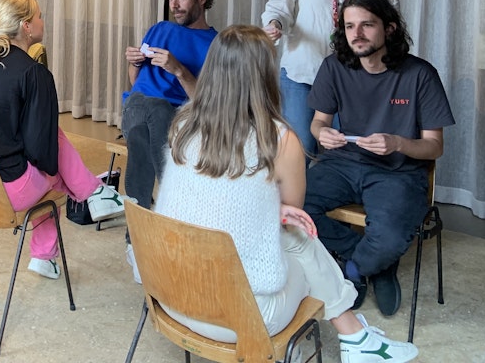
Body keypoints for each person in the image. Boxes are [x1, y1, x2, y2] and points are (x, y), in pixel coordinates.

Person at [154, 25, 419, 363]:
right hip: (240, 320)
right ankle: (354, 337)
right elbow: (295, 215)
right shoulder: (278, 139)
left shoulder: (184, 123)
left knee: (287, 229)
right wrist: (275, 212)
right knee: (298, 236)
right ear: (265, 75)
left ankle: (355, 336)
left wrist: (267, 209)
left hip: (170, 295)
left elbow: (205, 196)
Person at [0, 0, 125, 279]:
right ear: (27, 26)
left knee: (46, 149)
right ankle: (93, 194)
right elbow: (42, 153)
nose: (43, 21)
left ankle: (89, 200)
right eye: (39, 16)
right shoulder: (33, 73)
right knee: (52, 152)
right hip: (0, 195)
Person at [303, 0, 454, 317]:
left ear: (390, 28)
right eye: (349, 26)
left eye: (367, 25)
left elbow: (435, 146)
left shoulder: (420, 74)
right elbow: (318, 122)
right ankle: (373, 261)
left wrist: (398, 143)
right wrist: (321, 133)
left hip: (397, 172)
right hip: (342, 164)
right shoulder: (333, 67)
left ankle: (357, 269)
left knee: (389, 238)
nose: (356, 34)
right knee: (288, 206)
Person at [261, 0, 398, 156]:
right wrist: (275, 24)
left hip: (352, 78)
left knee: (343, 150)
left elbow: (392, 23)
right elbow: (278, 7)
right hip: (302, 75)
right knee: (298, 150)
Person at [122, 0, 218, 211]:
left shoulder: (215, 44)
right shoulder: (159, 29)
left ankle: (137, 223)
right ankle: (176, 205)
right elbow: (135, 82)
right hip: (138, 106)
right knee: (151, 107)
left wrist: (179, 70)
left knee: (140, 135)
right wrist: (134, 63)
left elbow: (205, 102)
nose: (174, 5)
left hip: (175, 117)